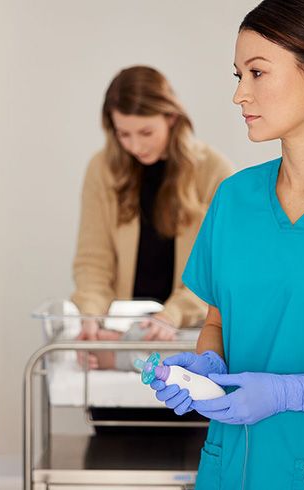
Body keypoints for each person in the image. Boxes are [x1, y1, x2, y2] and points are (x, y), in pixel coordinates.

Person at [152, 1, 304, 488]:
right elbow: (217, 319)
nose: (239, 94)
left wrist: (295, 392)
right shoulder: (235, 198)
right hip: (229, 466)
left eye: (256, 73)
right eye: (238, 74)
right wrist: (208, 366)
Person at [71, 65, 232, 369]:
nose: (135, 145)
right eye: (124, 134)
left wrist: (172, 315)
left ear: (171, 118)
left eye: (146, 132)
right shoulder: (102, 170)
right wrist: (91, 314)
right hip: (122, 340)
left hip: (190, 338)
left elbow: (219, 268)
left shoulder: (215, 172)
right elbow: (93, 261)